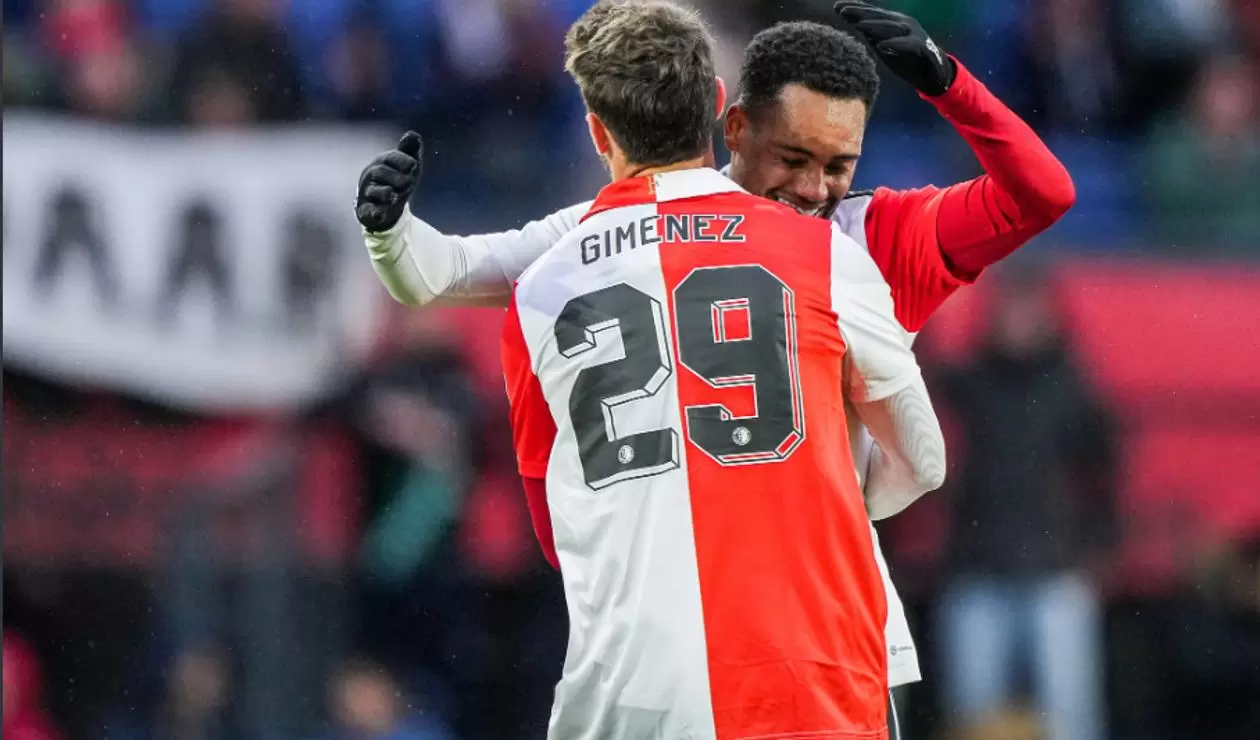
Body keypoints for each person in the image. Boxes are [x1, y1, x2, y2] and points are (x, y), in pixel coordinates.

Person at [353, 0, 1074, 725]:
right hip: (796, 646)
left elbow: (1044, 193)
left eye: (838, 165)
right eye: (793, 158)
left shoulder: (865, 231)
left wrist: (949, 82)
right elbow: (445, 271)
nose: (814, 189)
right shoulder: (823, 251)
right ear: (732, 126)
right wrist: (390, 231)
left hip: (784, 619)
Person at [497, 3, 945, 738]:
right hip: (814, 676)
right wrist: (810, 505)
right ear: (716, 108)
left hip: (631, 694)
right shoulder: (826, 254)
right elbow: (923, 462)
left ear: (597, 129)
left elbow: (556, 532)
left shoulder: (539, 289)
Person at [933, 270, 1117, 740]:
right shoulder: (973, 380)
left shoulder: (1074, 388)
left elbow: (1105, 475)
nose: (1017, 320)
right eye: (1009, 309)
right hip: (977, 567)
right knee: (974, 718)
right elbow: (917, 375)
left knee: (1069, 719)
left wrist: (1099, 544)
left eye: (1027, 308)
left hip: (1056, 572)